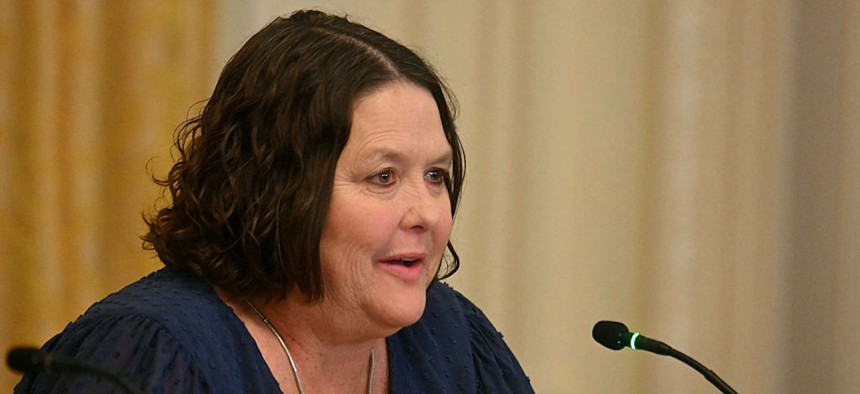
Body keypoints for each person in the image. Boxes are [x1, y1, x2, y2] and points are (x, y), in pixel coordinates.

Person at [14, 9, 533, 393]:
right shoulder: (150, 357)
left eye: (436, 175)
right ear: (276, 189)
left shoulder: (453, 340)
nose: (426, 213)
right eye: (383, 177)